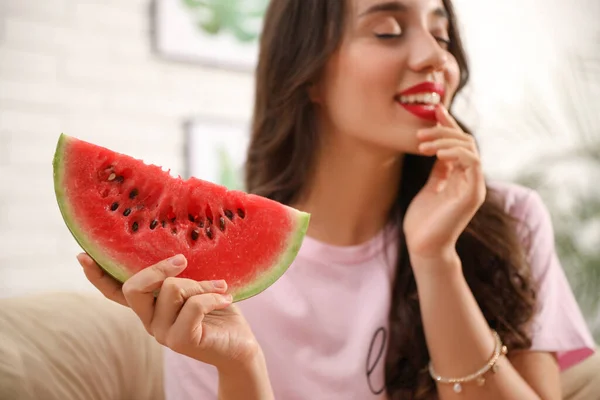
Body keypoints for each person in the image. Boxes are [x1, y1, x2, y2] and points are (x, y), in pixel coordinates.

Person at [77, 0, 596, 398]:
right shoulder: (209, 268)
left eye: (441, 33)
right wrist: (239, 366)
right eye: (387, 30)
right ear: (309, 74)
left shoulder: (513, 219)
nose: (435, 57)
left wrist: (436, 259)